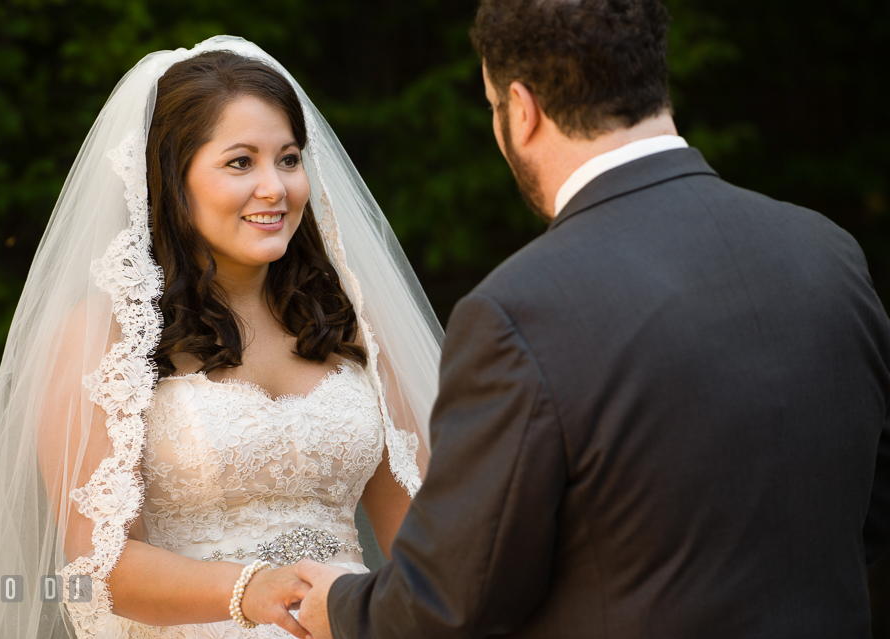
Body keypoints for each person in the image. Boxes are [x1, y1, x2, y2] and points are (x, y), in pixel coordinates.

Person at [296, 0, 890, 637]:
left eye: (494, 106)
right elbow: (870, 506)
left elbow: (449, 602)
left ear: (520, 110)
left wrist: (336, 602)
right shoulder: (827, 253)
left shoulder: (520, 311)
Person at [0, 37, 442, 639]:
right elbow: (97, 564)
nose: (275, 188)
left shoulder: (352, 324)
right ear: (172, 178)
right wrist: (249, 591)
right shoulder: (106, 335)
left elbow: (427, 552)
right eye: (240, 163)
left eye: (289, 159)